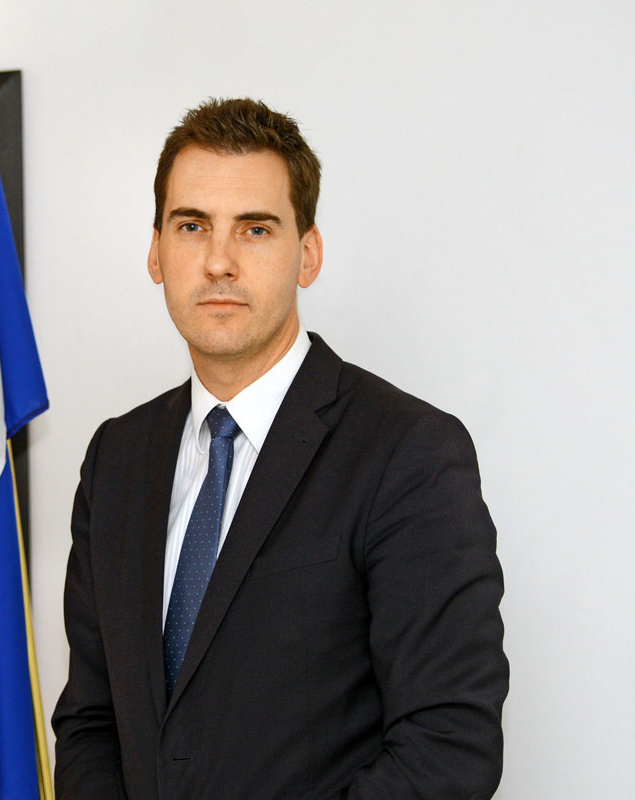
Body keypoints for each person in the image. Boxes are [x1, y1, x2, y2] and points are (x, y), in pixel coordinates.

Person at [51, 98, 508, 799]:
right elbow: (91, 723)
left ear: (308, 253)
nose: (218, 261)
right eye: (191, 226)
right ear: (155, 251)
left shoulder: (408, 453)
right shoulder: (117, 458)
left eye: (255, 229)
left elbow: (450, 746)